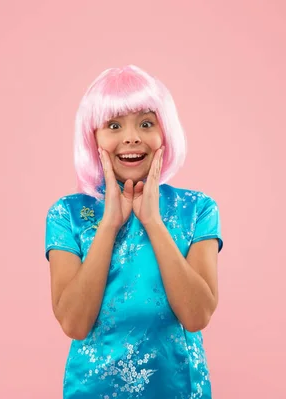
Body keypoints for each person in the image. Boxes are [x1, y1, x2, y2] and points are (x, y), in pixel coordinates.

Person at [45, 64, 223, 398]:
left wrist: (153, 221)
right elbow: (74, 323)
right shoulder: (67, 213)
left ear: (164, 133)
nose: (131, 137)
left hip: (179, 389)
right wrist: (110, 223)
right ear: (93, 136)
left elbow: (197, 314)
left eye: (146, 123)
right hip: (92, 390)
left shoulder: (197, 209)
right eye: (114, 125)